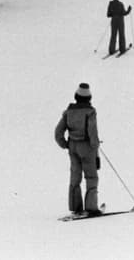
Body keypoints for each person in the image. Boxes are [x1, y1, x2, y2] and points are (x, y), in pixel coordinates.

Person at [54, 83, 101, 216]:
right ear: (89, 98)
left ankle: (76, 206)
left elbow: (58, 132)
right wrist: (95, 146)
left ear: (76, 96)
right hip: (87, 147)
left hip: (73, 147)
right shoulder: (90, 111)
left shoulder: (68, 112)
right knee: (91, 177)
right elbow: (92, 132)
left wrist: (65, 144)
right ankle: (91, 208)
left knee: (75, 176)